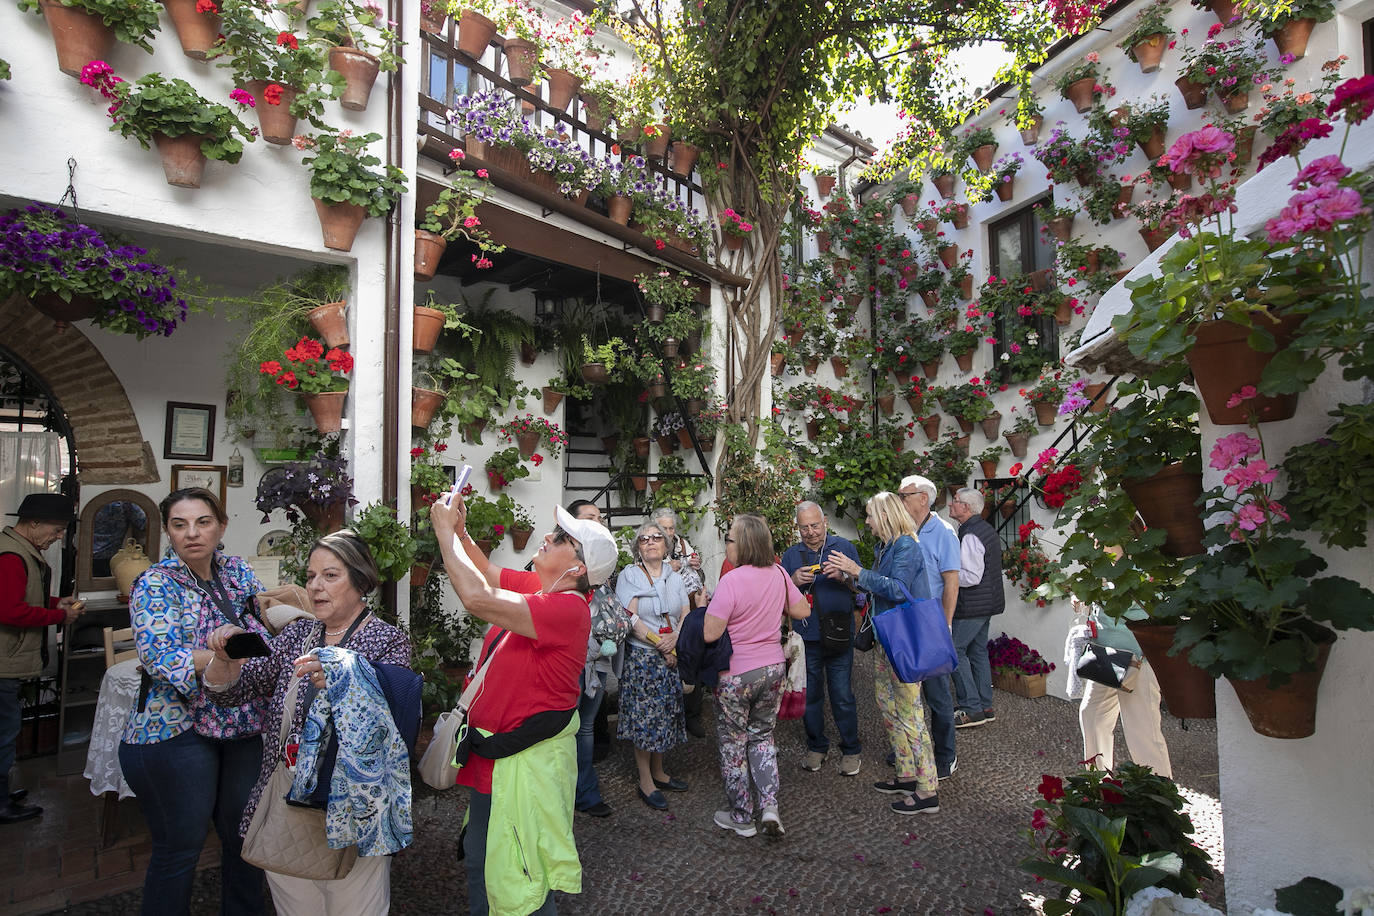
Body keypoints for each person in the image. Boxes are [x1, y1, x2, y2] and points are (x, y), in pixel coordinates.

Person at [204, 530, 413, 914]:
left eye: (330, 575)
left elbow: (390, 725)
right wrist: (224, 660)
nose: (315, 586)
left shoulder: (387, 640)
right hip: (289, 798)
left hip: (351, 805)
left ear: (361, 580)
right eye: (311, 576)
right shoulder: (298, 635)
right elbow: (235, 692)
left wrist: (345, 680)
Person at [430, 494, 617, 916]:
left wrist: (443, 534)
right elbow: (487, 573)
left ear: (578, 569)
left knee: (521, 877)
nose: (548, 536)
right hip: (497, 756)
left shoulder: (567, 608)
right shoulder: (544, 588)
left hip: (524, 765)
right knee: (483, 860)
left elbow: (477, 598)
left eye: (563, 537)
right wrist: (460, 532)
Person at [118, 488, 268, 916]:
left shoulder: (237, 571)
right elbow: (162, 656)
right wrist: (229, 653)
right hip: (175, 728)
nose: (192, 533)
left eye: (202, 522)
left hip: (240, 724)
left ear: (220, 526)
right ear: (168, 531)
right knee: (180, 847)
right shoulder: (154, 582)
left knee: (244, 837)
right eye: (179, 524)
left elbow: (265, 628)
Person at [823, 492, 940, 816]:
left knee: (910, 713)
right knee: (889, 707)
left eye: (871, 516)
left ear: (885, 516)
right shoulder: (886, 547)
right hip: (885, 640)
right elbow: (876, 588)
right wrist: (848, 579)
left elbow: (898, 589)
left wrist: (856, 569)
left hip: (905, 642)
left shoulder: (907, 546)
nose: (868, 522)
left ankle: (928, 788)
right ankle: (905, 774)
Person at [704, 514, 809, 838]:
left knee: (734, 743)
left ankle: (741, 816)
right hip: (773, 668)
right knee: (762, 737)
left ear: (745, 544)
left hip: (737, 672)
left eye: (730, 539)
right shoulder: (778, 573)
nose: (726, 545)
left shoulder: (732, 581)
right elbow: (803, 610)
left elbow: (710, 633)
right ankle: (770, 807)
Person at [0, 493, 86, 824]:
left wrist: (54, 603)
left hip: (9, 661)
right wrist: (57, 618)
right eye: (57, 528)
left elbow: (24, 594)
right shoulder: (11, 556)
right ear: (33, 523)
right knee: (3, 733)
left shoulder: (21, 552)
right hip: (4, 663)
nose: (59, 536)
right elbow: (8, 610)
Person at [780, 501, 863, 776]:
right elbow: (780, 596)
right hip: (807, 636)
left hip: (839, 632)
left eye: (815, 525)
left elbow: (861, 589)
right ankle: (817, 746)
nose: (811, 532)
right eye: (804, 527)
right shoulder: (792, 554)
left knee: (842, 695)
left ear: (825, 521)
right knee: (811, 695)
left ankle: (851, 749)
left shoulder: (844, 548)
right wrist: (792, 580)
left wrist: (844, 577)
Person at [615, 519, 691, 810]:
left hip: (669, 655)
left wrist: (675, 638)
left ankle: (660, 772)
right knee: (644, 720)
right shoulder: (630, 575)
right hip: (643, 659)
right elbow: (629, 617)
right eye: (644, 539)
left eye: (656, 537)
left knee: (665, 715)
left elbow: (685, 610)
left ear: (666, 544)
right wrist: (659, 643)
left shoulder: (674, 576)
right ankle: (645, 780)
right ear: (637, 547)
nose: (650, 542)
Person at [896, 475, 960, 779]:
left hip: (932, 622)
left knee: (937, 695)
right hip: (907, 620)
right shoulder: (903, 530)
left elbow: (951, 581)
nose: (900, 500)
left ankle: (946, 755)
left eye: (903, 495)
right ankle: (910, 749)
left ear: (923, 498)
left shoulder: (944, 532)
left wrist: (946, 624)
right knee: (907, 692)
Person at [565, 500, 623, 818]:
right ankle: (560, 792)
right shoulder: (559, 562)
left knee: (585, 727)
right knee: (560, 729)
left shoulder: (604, 565)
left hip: (596, 662)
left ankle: (585, 793)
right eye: (590, 519)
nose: (598, 523)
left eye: (601, 518)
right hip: (567, 663)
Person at [1071, 598, 1172, 778]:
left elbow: (1144, 596)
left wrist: (1099, 590)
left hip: (1137, 658)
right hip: (1106, 655)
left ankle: (1158, 795)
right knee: (1092, 716)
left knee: (1142, 729)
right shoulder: (1101, 569)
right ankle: (1099, 784)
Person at [947, 488, 1004, 729]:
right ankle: (984, 705)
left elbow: (971, 576)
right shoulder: (983, 528)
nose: (951, 505)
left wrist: (946, 578)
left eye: (956, 502)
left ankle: (971, 709)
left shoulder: (970, 534)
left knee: (954, 650)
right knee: (977, 652)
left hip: (973, 604)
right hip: (986, 603)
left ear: (966, 509)